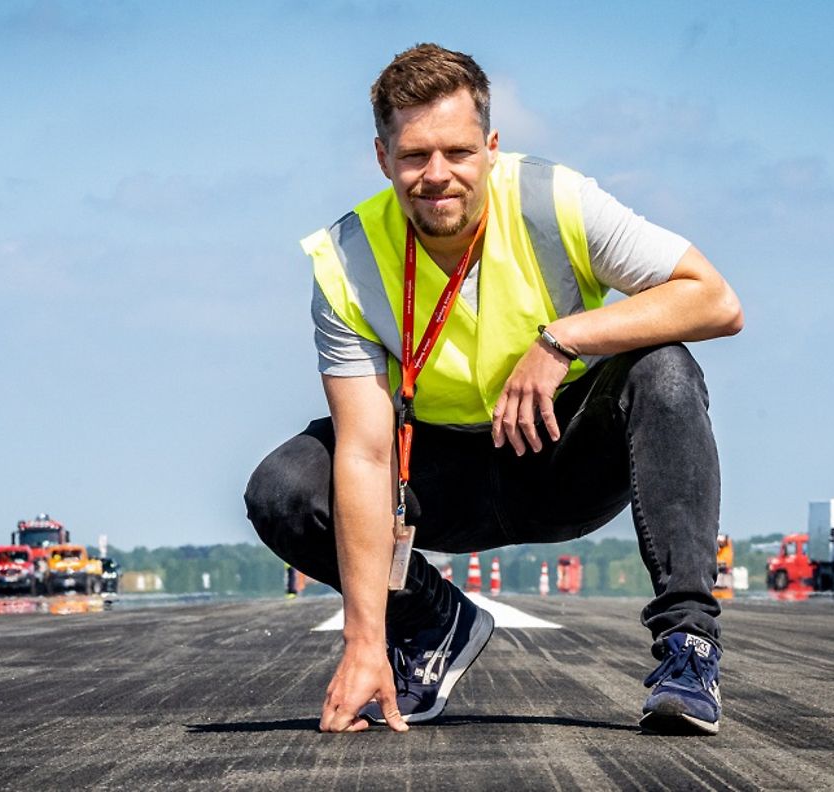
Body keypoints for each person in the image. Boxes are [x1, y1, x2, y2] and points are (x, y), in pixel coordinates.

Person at [245, 43, 743, 736]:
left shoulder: (555, 201)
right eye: (415, 156)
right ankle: (431, 620)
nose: (437, 175)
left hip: (559, 459)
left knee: (665, 366)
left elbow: (716, 301)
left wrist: (565, 338)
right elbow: (362, 452)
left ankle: (688, 645)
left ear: (492, 147)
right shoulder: (347, 260)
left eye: (458, 152)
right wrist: (364, 641)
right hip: (433, 480)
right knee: (285, 487)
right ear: (382, 157)